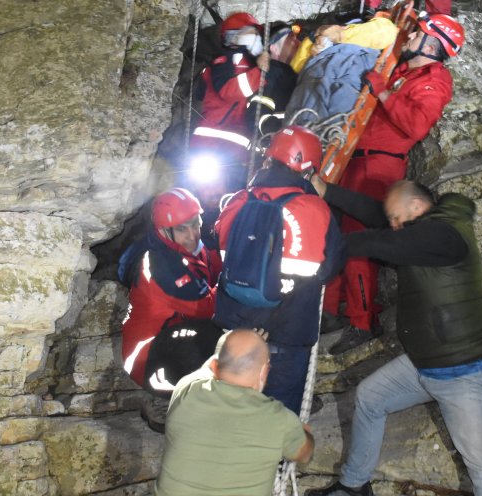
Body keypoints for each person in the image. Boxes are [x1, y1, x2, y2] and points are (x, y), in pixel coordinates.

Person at [308, 180, 482, 496]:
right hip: (424, 364)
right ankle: (354, 486)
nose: (393, 225)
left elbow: (383, 240)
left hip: (465, 371)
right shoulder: (425, 229)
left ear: (416, 207)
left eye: (397, 219)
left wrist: (332, 250)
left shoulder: (446, 235)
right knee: (370, 398)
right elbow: (379, 217)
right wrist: (328, 192)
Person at [322, 13, 464, 355]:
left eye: (421, 33)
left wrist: (384, 91)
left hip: (379, 164)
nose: (413, 35)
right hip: (355, 155)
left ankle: (362, 321)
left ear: (433, 44)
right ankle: (329, 309)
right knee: (333, 230)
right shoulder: (404, 69)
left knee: (360, 238)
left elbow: (415, 125)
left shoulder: (436, 78)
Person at [213, 126, 345, 414]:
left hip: (237, 332)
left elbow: (219, 253)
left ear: (268, 159)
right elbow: (329, 269)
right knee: (277, 419)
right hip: (287, 332)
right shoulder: (315, 209)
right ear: (309, 170)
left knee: (233, 412)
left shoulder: (236, 202)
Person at [153, 329, 315, 496]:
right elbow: (305, 454)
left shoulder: (187, 390)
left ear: (215, 366)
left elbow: (208, 367)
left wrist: (232, 348)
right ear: (265, 370)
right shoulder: (278, 420)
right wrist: (303, 432)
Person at [120, 188, 224, 394]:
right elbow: (206, 308)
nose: (192, 235)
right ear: (164, 231)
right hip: (147, 358)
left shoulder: (194, 249)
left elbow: (218, 264)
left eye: (196, 225)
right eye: (182, 229)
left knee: (215, 336)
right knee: (213, 337)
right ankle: (171, 400)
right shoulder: (160, 266)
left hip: (173, 335)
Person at [189, 11, 288, 200]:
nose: (257, 37)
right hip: (213, 146)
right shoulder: (224, 62)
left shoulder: (253, 64)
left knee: (237, 201)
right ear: (232, 36)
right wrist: (259, 72)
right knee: (209, 200)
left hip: (238, 153)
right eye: (251, 32)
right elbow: (229, 90)